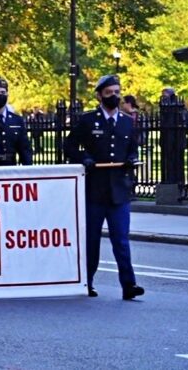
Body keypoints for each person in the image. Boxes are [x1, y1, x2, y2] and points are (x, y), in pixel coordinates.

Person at [64, 74, 144, 300]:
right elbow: (69, 145)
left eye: (117, 93)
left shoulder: (127, 121)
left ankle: (129, 285)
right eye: (109, 93)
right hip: (94, 189)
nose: (115, 97)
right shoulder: (88, 120)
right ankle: (86, 282)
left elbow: (132, 149)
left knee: (121, 240)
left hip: (119, 190)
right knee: (92, 240)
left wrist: (131, 159)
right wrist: (84, 158)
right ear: (99, 95)